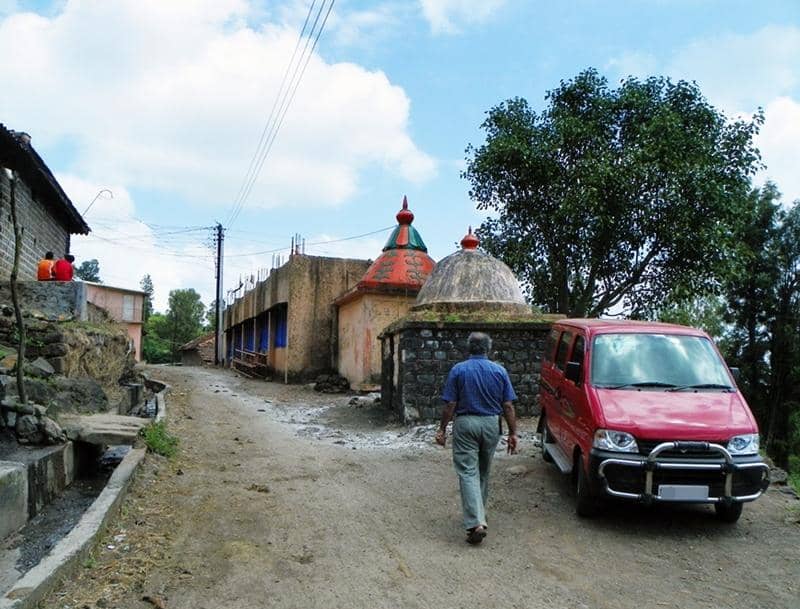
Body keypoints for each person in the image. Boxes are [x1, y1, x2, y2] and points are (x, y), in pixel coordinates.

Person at [435, 331, 518, 545]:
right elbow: (508, 405)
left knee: (468, 472)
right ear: (488, 349)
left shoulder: (459, 370)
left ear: (469, 348)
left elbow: (450, 404)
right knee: (483, 471)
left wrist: (442, 428)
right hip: (491, 424)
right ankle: (479, 515)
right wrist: (513, 433)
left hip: (466, 423)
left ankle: (475, 522)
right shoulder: (499, 371)